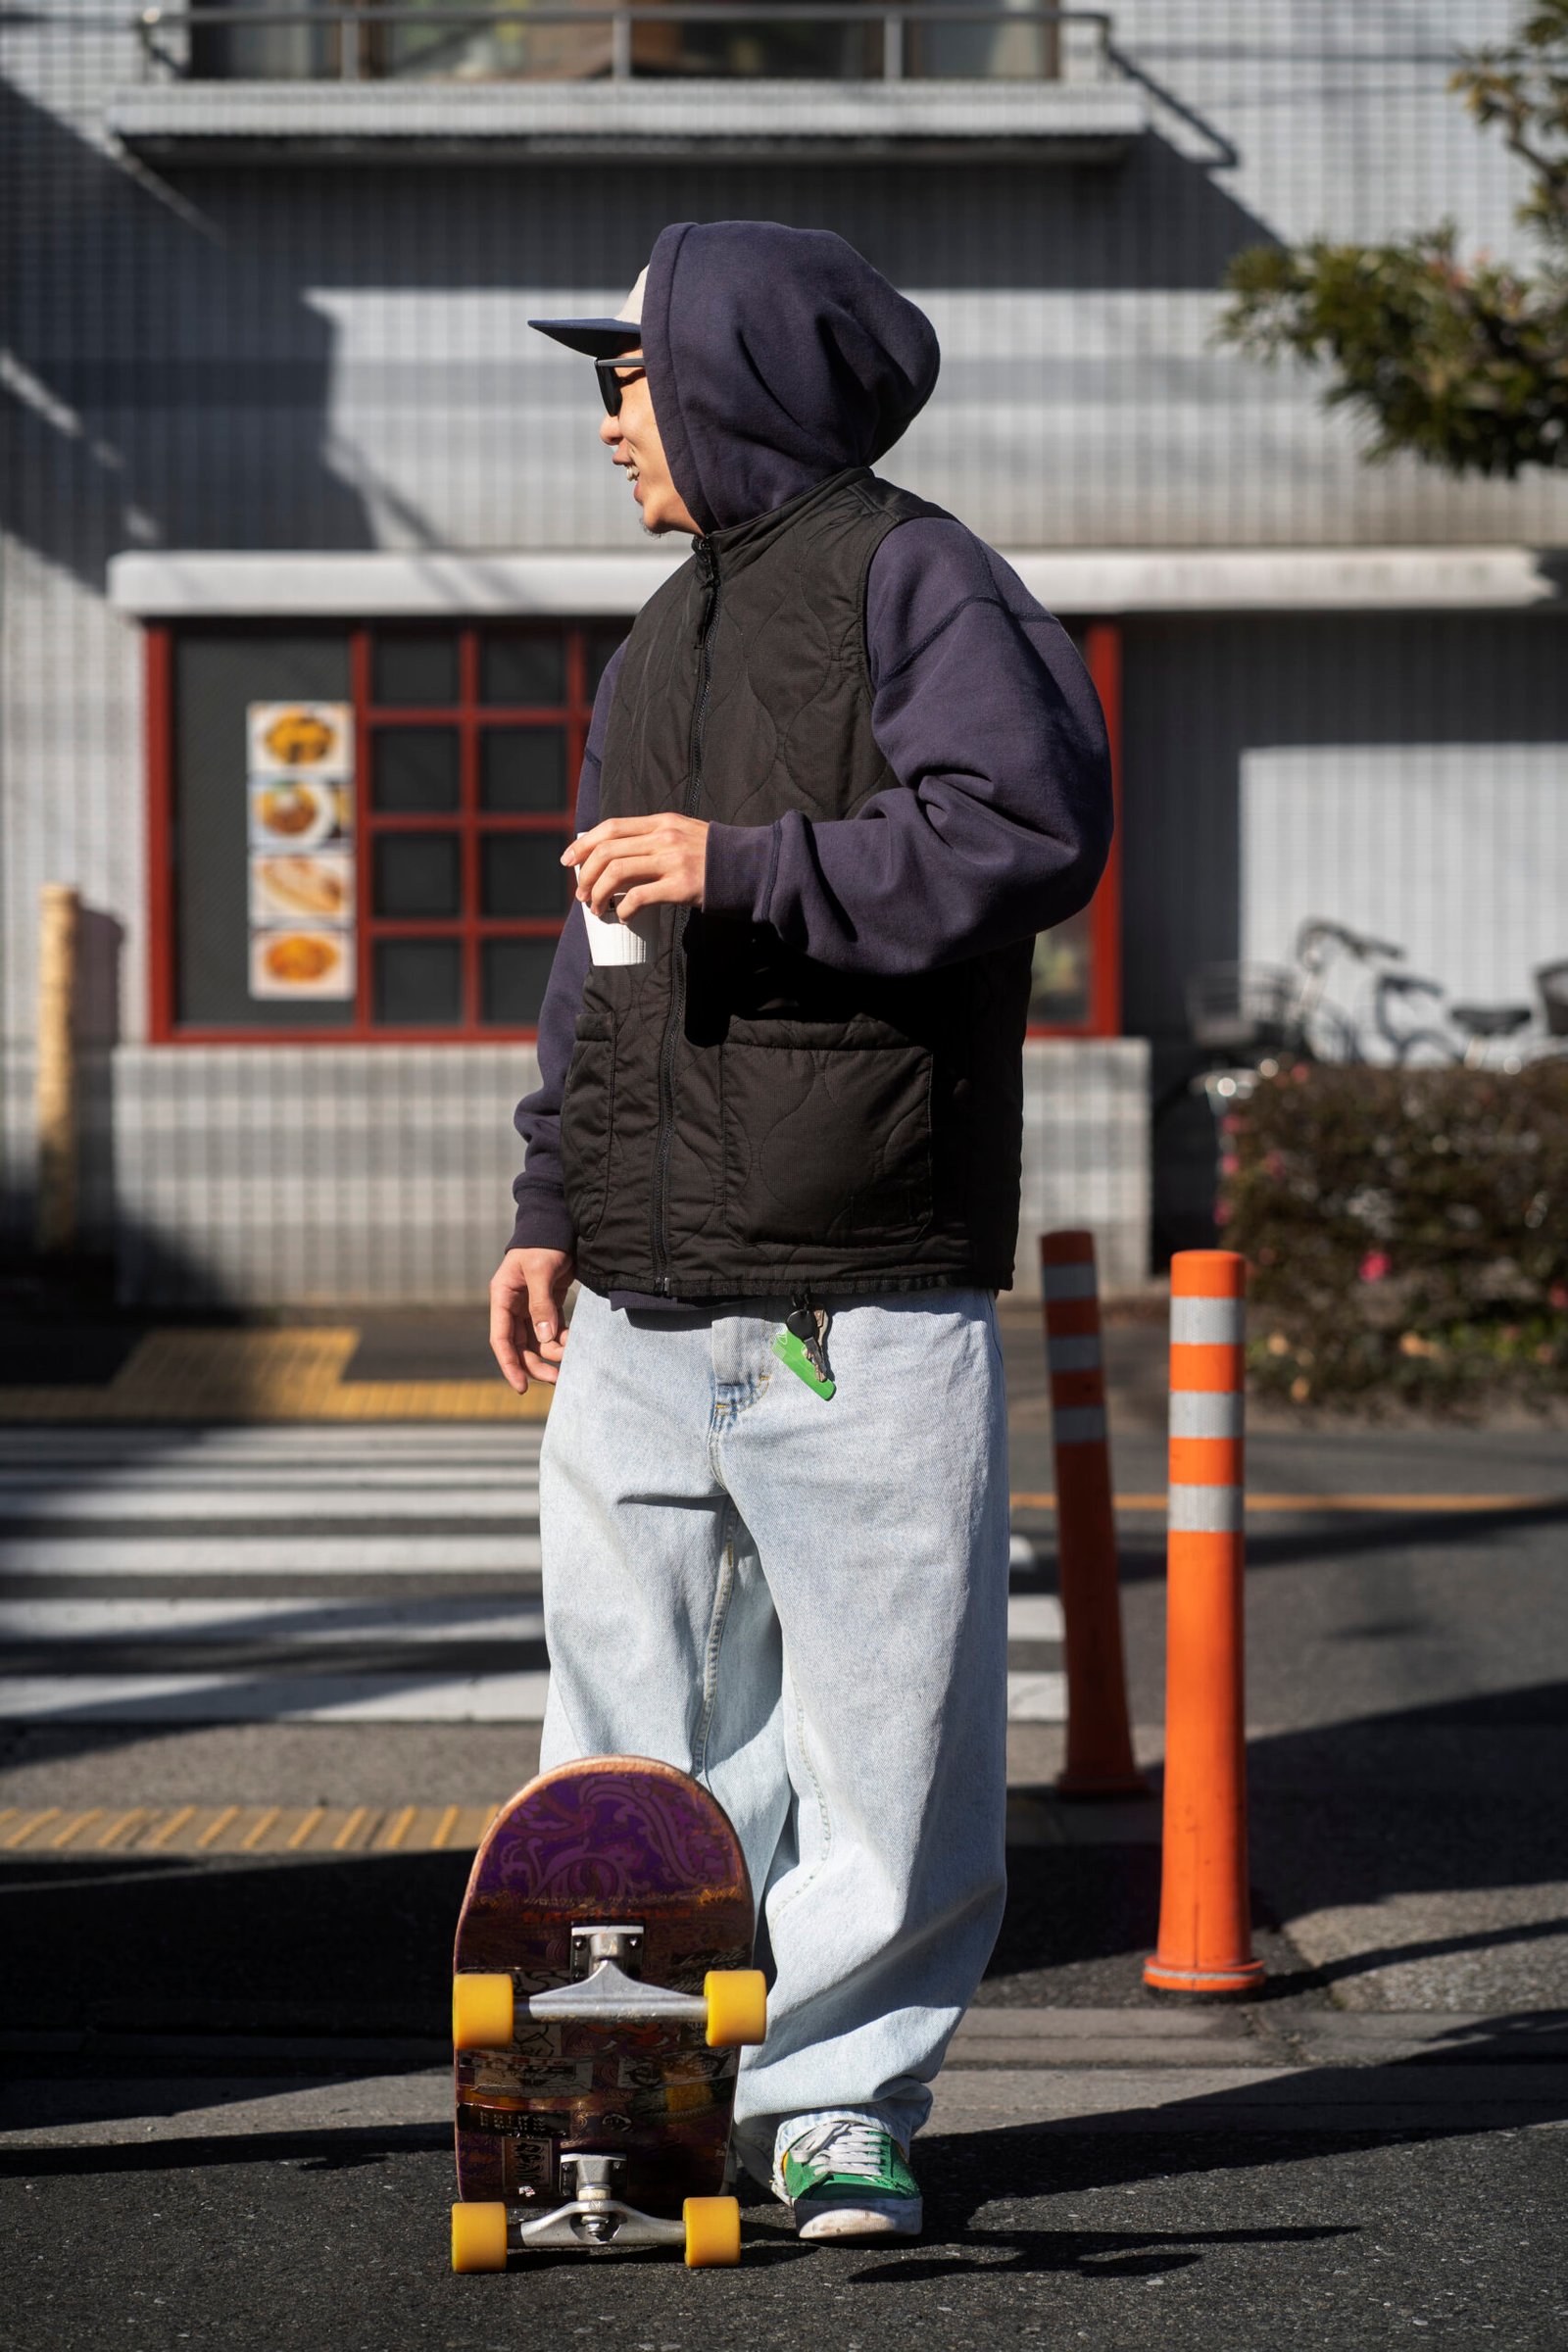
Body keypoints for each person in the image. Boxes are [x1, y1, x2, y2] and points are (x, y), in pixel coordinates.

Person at [490, 220, 1111, 2242]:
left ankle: (837, 2106)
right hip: (646, 1292)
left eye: (626, 376)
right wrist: (546, 1202)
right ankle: (623, 2109)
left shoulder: (918, 577)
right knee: (627, 1736)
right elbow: (597, 959)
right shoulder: (656, 635)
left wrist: (742, 861)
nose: (606, 424)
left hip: (861, 1267)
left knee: (877, 1738)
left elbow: (1023, 830)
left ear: (733, 376)